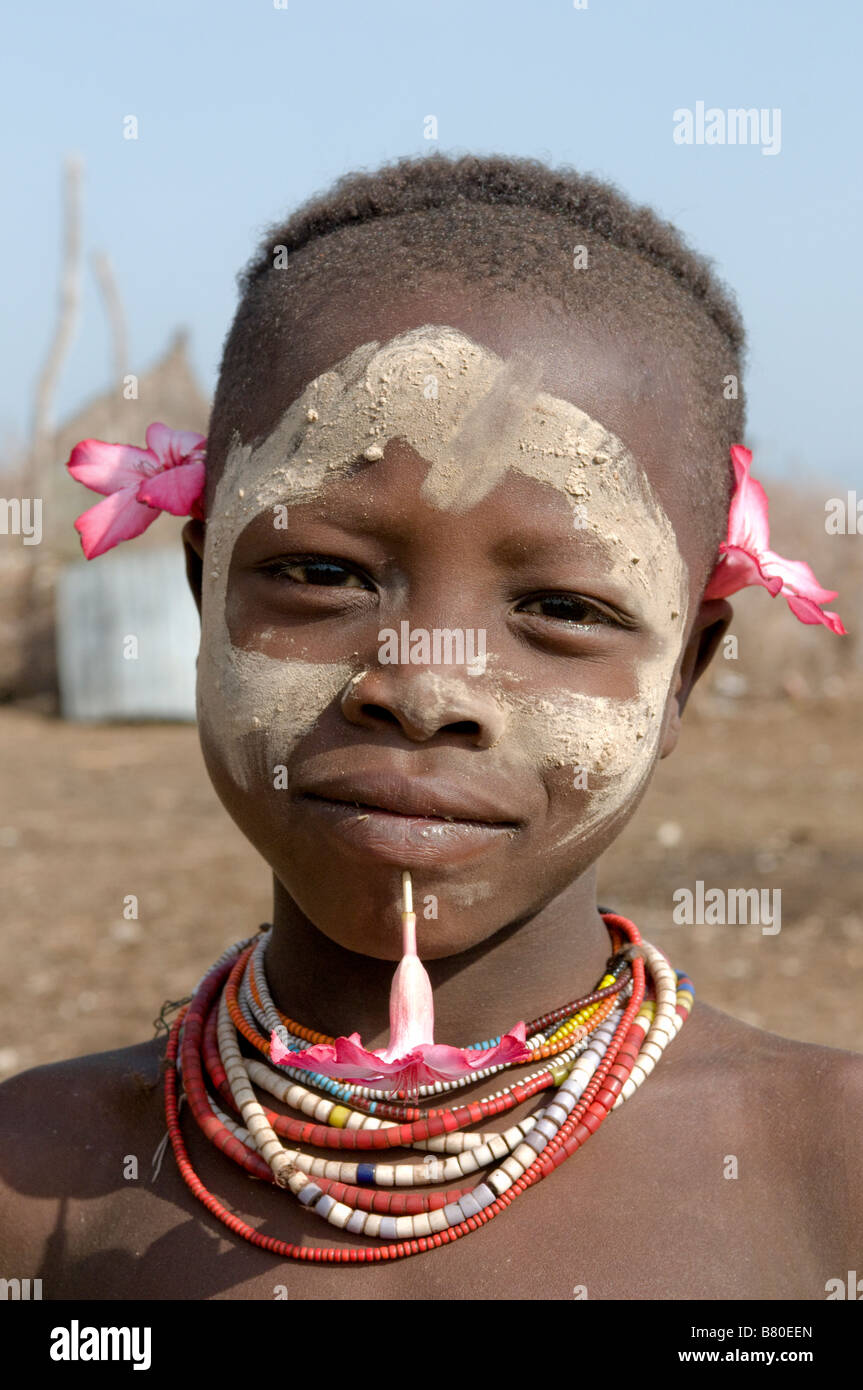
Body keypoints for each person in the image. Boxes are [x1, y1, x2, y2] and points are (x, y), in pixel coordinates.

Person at [0, 152, 858, 1301]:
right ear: (203, 597)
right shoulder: (34, 1184)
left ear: (683, 675)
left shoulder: (825, 1175)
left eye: (561, 609)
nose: (422, 684)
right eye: (320, 572)